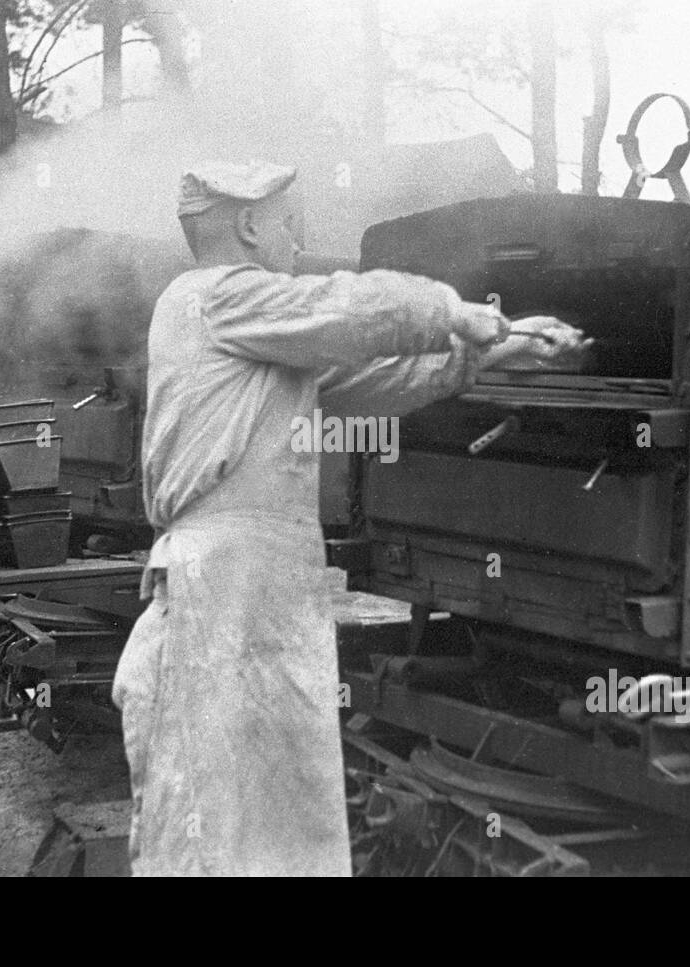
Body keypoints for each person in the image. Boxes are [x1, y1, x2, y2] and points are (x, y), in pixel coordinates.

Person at [111, 162, 588, 876]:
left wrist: (494, 348)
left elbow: (377, 378)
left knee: (277, 806)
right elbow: (350, 309)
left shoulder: (264, 335)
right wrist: (454, 309)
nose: (300, 241)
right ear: (247, 225)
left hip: (261, 587)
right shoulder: (215, 296)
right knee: (207, 808)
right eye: (290, 224)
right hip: (223, 584)